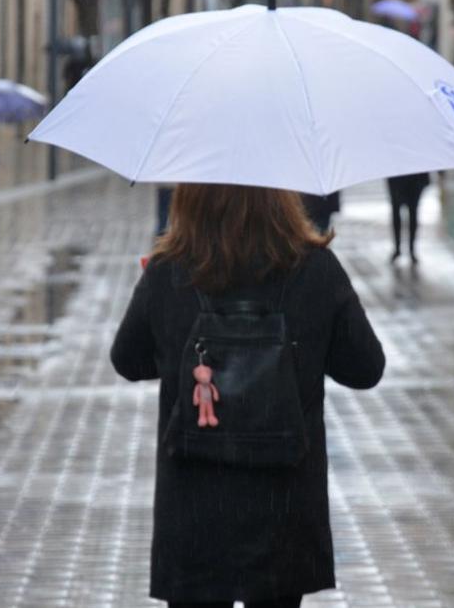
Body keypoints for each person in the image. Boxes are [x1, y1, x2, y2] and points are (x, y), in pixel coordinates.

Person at [111, 184, 385, 608]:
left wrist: (171, 336)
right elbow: (366, 369)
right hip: (284, 508)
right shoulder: (315, 267)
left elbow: (128, 361)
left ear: (189, 197)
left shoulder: (169, 270)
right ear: (282, 196)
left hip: (195, 506)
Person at [386, 172, 431, 264]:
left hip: (413, 179)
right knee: (398, 214)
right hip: (397, 179)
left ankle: (410, 249)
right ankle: (398, 248)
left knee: (412, 215)